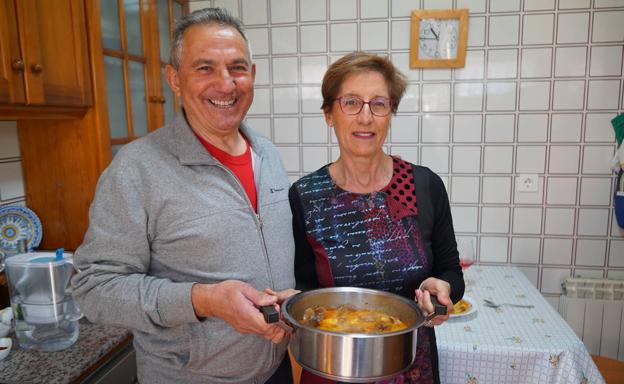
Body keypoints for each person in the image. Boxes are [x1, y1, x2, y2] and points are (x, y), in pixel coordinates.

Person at [72, 8, 296, 384]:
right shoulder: (137, 168)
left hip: (275, 368)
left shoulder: (268, 155)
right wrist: (203, 300)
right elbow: (94, 289)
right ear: (174, 79)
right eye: (205, 68)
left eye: (237, 67)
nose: (226, 85)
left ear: (252, 75)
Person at [289, 52, 465, 384]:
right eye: (351, 102)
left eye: (379, 104)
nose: (365, 117)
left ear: (391, 112)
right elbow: (304, 288)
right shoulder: (305, 196)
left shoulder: (425, 186)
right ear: (329, 114)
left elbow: (451, 272)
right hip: (332, 368)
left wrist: (442, 289)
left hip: (410, 368)